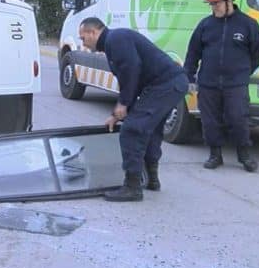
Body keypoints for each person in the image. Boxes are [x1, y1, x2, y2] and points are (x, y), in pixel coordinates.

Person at [78, 18, 188, 202]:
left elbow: (131, 70)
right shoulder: (114, 42)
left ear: (93, 33)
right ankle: (152, 179)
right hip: (169, 85)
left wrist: (123, 103)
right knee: (150, 129)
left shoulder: (116, 39)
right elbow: (130, 77)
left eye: (83, 38)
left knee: (132, 130)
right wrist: (117, 112)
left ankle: (132, 186)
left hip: (165, 85)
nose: (83, 43)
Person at [184, 0, 259, 172]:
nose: (214, 8)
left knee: (238, 119)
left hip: (235, 84)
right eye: (212, 4)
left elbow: (258, 51)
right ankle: (215, 155)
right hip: (208, 83)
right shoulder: (205, 26)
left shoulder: (248, 25)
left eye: (217, 3)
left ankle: (244, 155)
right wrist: (188, 77)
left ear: (229, 1)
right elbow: (193, 53)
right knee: (210, 121)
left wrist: (244, 71)